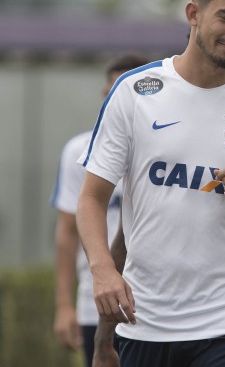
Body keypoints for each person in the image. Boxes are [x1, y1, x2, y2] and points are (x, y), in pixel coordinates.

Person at [76, 0, 225, 367]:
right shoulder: (134, 93)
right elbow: (91, 198)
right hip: (148, 321)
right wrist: (103, 271)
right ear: (193, 14)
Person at [50, 54, 149, 367]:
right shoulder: (80, 151)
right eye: (117, 91)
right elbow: (66, 233)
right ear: (106, 94)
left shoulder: (171, 151)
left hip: (153, 306)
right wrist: (65, 306)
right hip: (97, 302)